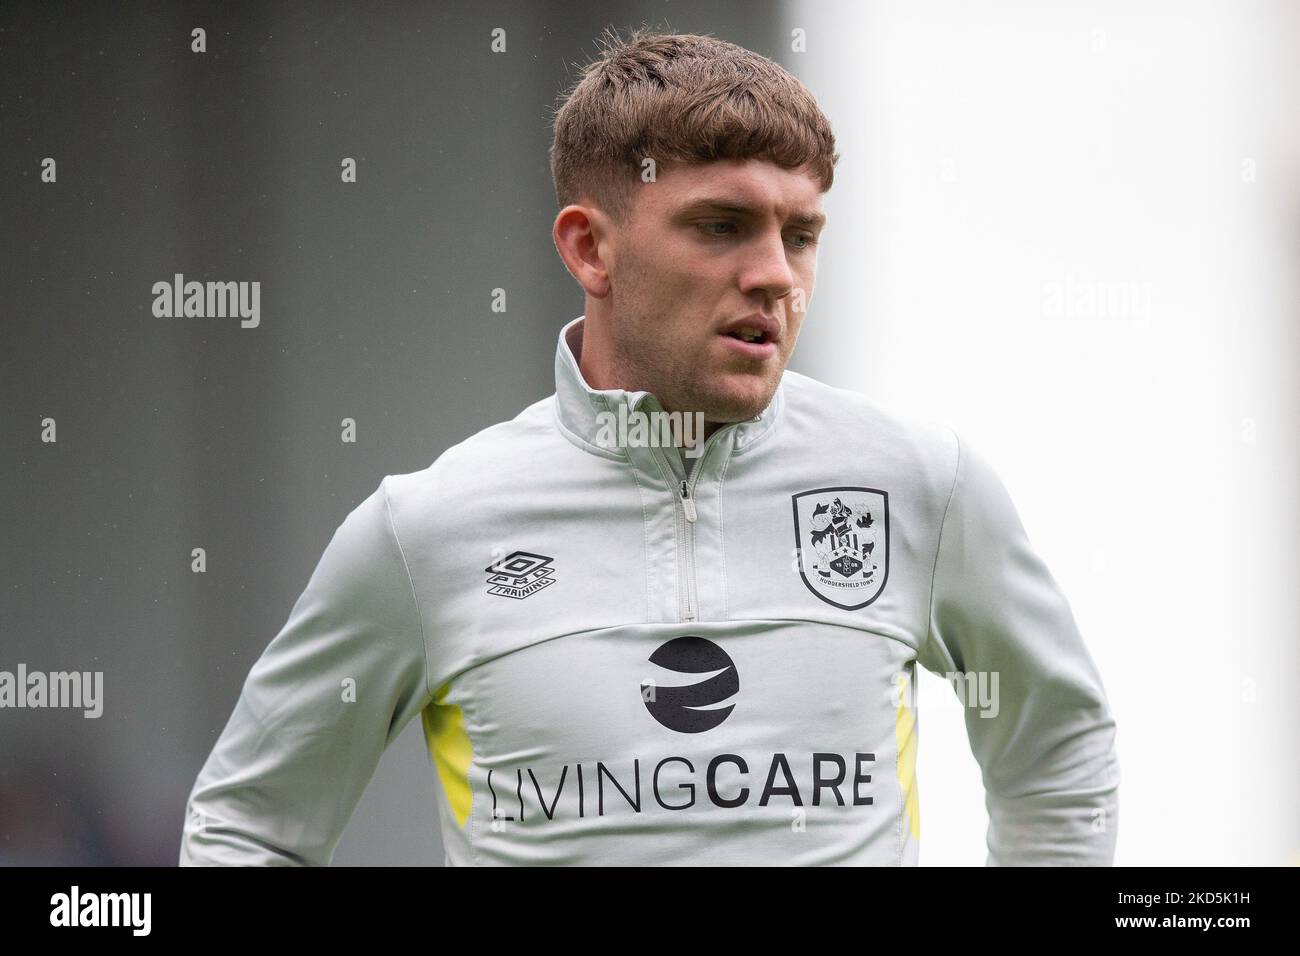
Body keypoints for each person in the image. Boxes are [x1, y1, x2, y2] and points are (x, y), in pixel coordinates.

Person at [180, 27, 1119, 866]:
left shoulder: (923, 485)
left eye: (801, 235)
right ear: (592, 249)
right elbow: (251, 826)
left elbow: (1057, 743)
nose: (774, 276)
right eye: (721, 226)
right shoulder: (426, 531)